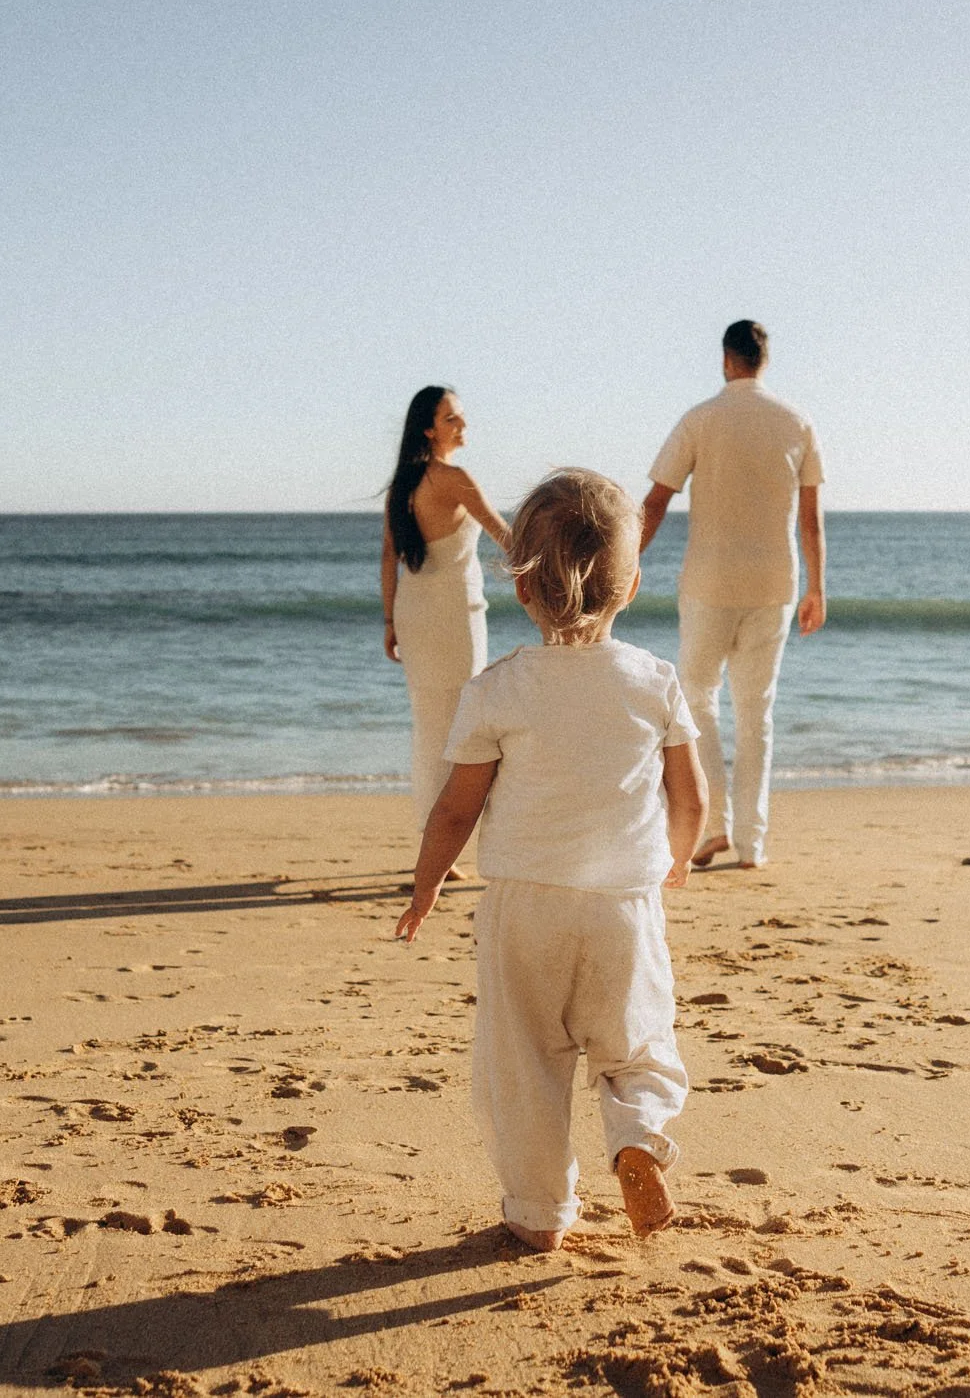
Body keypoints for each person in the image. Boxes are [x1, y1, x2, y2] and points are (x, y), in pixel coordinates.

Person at [394, 469, 707, 1252]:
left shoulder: (496, 689)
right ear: (631, 585)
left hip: (523, 909)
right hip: (623, 907)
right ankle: (635, 1137)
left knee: (523, 1066)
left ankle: (537, 1211)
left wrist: (425, 886)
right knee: (637, 1044)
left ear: (522, 588)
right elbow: (691, 796)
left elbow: (456, 808)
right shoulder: (653, 681)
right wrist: (675, 858)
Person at [639, 320, 825, 871]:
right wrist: (818, 587)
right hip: (775, 586)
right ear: (763, 360)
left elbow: (655, 501)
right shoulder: (796, 422)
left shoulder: (700, 418)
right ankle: (752, 844)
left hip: (710, 583)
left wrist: (625, 565)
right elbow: (810, 521)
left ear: (727, 359)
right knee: (756, 714)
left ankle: (710, 829)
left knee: (697, 701)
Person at [381, 386, 513, 857]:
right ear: (429, 428)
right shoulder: (454, 478)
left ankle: (430, 835)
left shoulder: (404, 485)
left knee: (430, 726)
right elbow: (505, 536)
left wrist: (389, 621)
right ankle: (447, 842)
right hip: (454, 615)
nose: (463, 425)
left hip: (414, 613)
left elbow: (389, 559)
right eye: (452, 418)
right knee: (463, 725)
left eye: (462, 417)